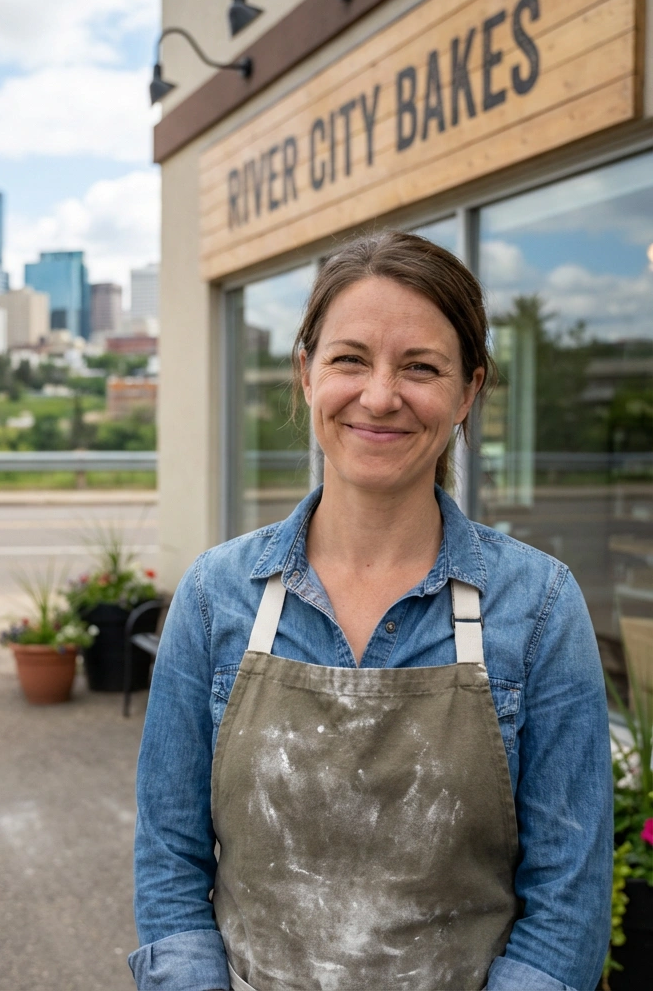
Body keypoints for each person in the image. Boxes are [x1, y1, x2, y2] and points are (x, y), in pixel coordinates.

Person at [129, 232, 612, 991]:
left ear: (468, 393)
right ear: (306, 374)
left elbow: (567, 907)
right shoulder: (214, 597)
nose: (380, 396)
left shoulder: (541, 608)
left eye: (420, 367)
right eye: (350, 359)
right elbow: (169, 863)